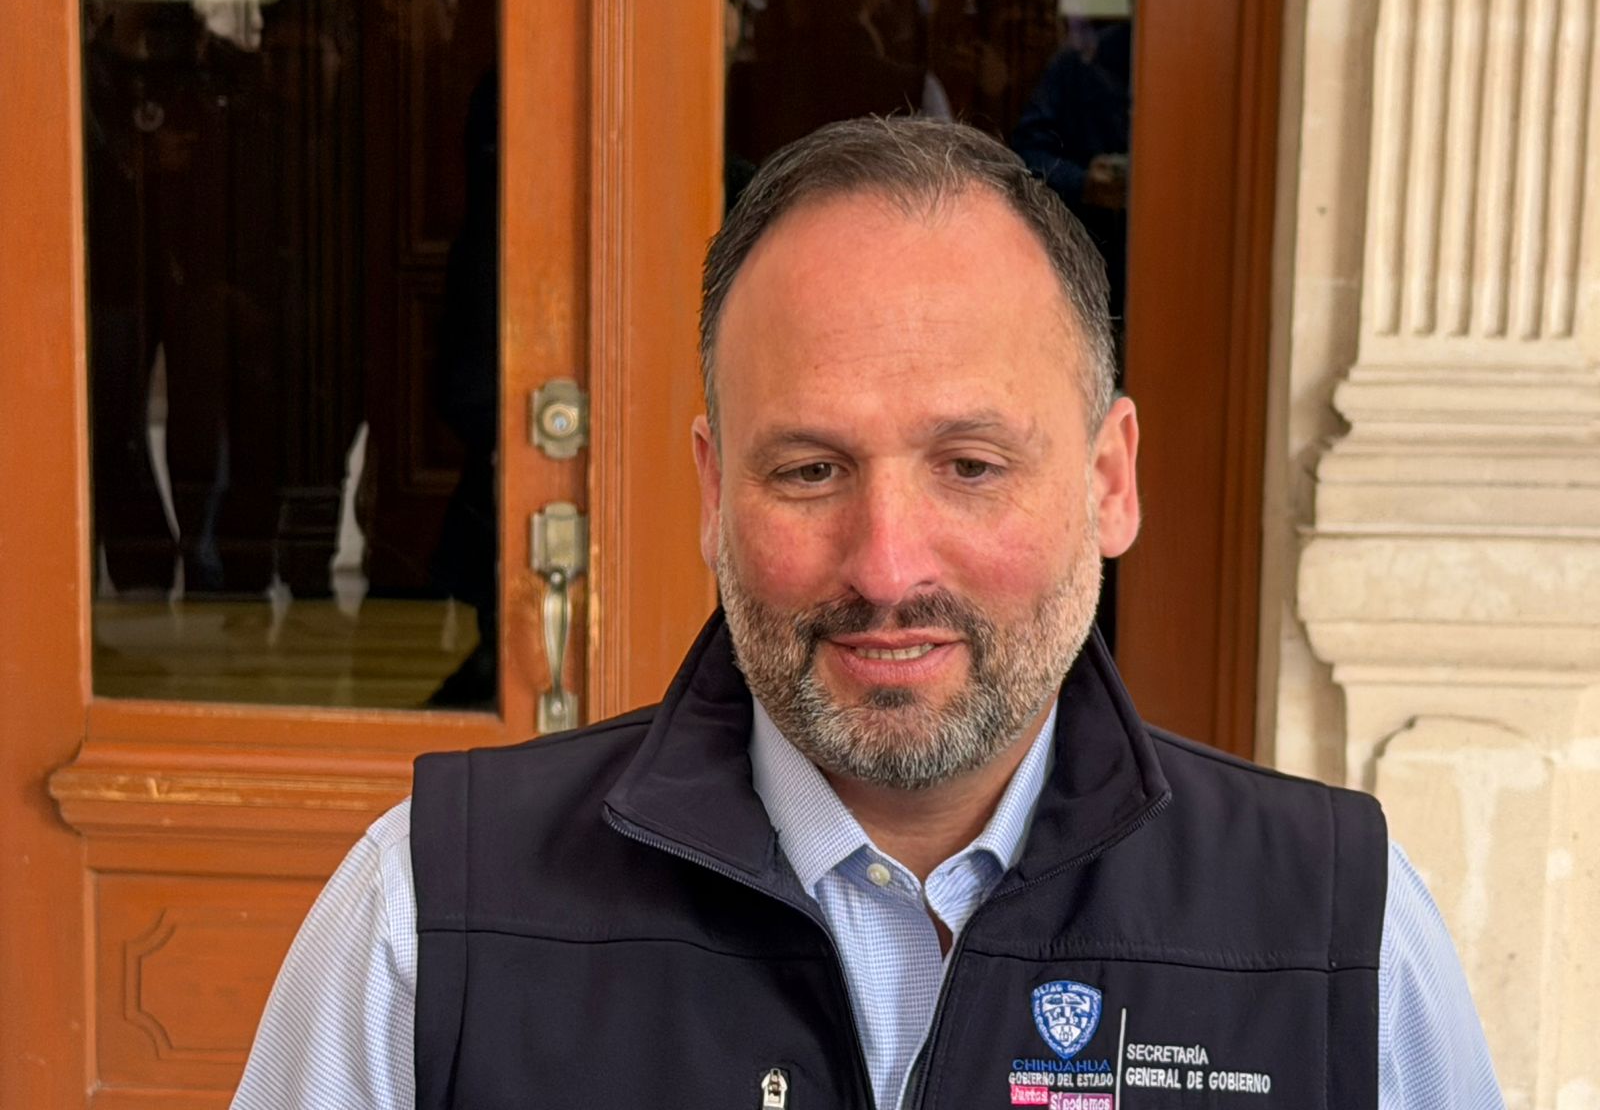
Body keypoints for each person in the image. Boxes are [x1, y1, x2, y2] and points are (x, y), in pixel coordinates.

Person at [232, 117, 1503, 1109]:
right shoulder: (428, 918)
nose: (887, 566)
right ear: (712, 493)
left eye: (971, 465)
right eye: (809, 471)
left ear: (1109, 481)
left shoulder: (1340, 937)